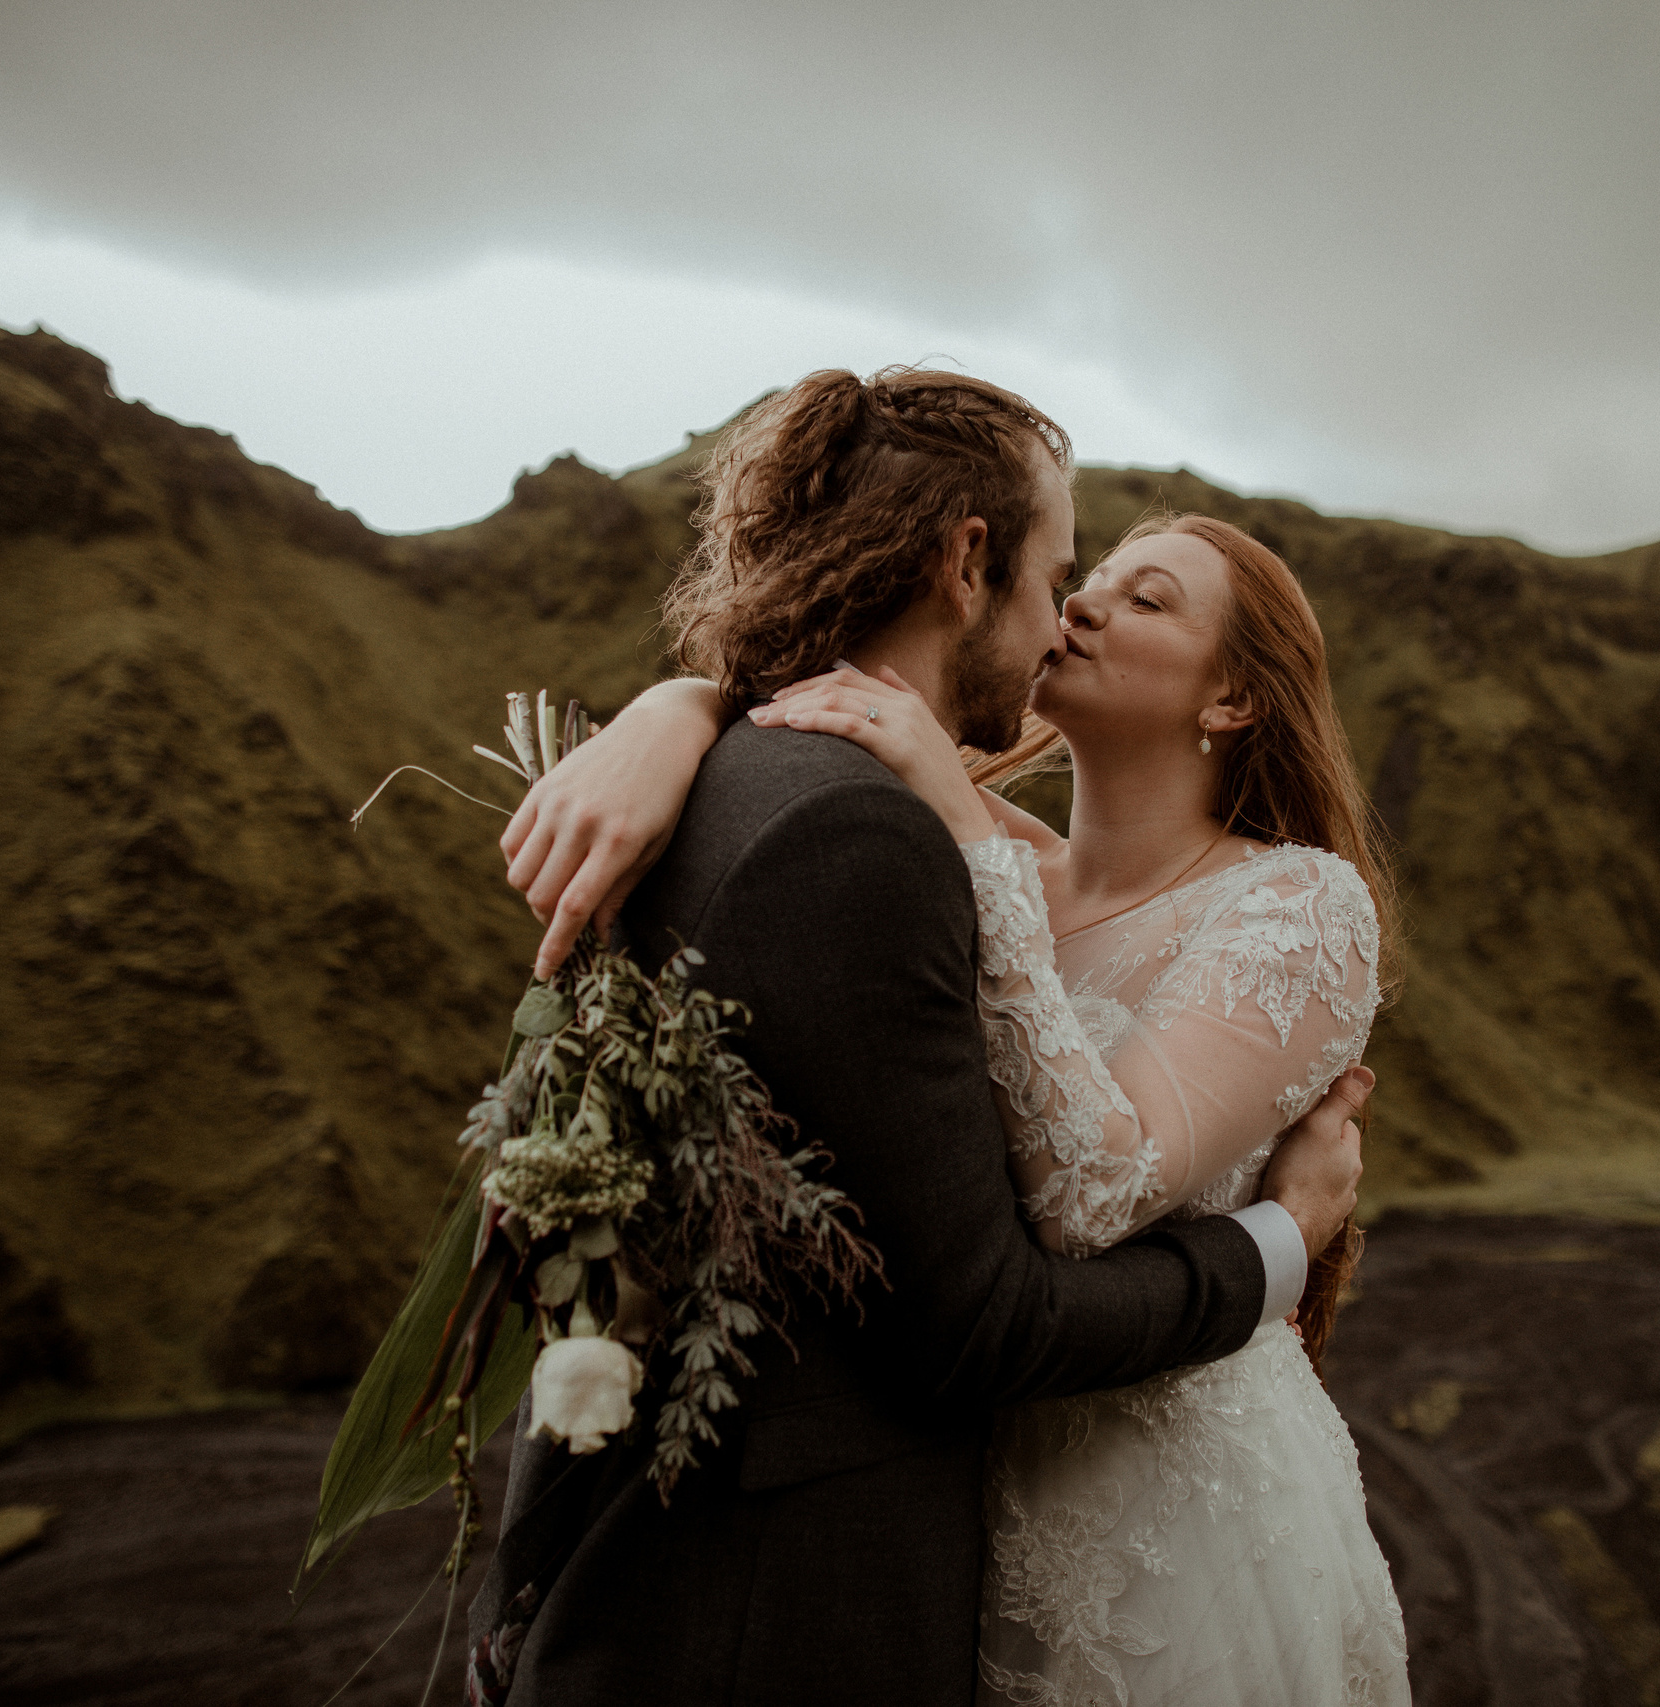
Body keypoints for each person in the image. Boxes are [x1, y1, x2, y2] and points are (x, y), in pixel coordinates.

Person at [470, 366, 1388, 1707]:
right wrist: (679, 709)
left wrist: (876, 786)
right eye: (1081, 572)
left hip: (1165, 1509)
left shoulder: (1284, 901)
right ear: (974, 566)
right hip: (964, 1496)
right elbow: (804, 768)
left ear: (1233, 701)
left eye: (1145, 596)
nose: (1081, 603)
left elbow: (1094, 1188)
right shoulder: (948, 842)